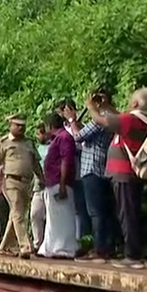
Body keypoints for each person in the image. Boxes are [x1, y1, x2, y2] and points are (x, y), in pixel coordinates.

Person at [86, 87, 147, 269]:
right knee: (131, 212)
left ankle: (132, 256)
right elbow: (120, 117)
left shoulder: (130, 121)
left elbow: (104, 122)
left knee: (127, 214)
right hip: (133, 174)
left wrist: (92, 107)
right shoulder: (144, 121)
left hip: (124, 174)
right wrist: (107, 106)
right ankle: (133, 252)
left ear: (134, 103)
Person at [60, 99, 116, 262]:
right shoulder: (113, 117)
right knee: (104, 211)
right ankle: (107, 246)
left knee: (95, 212)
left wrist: (72, 120)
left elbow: (78, 136)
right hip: (104, 167)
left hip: (91, 168)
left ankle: (99, 249)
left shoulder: (102, 117)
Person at [0, 114, 44, 259]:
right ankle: (25, 246)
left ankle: (4, 246)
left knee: (16, 215)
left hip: (26, 183)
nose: (21, 128)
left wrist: (41, 178)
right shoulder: (4, 142)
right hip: (10, 182)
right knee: (18, 213)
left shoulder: (28, 143)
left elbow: (35, 163)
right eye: (18, 125)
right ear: (11, 126)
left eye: (23, 126)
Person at [38, 112, 78, 258]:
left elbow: (66, 161)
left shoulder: (64, 138)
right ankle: (50, 247)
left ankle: (64, 248)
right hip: (52, 182)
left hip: (60, 182)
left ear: (49, 126)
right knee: (54, 218)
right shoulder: (58, 139)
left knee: (63, 217)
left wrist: (62, 182)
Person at [58, 99, 93, 243]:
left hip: (78, 174)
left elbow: (81, 144)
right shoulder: (60, 131)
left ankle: (82, 241)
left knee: (80, 210)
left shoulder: (80, 128)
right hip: (61, 176)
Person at [30, 124, 50, 252]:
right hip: (37, 187)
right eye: (38, 134)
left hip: (50, 186)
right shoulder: (37, 149)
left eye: (41, 133)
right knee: (35, 214)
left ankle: (47, 245)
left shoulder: (52, 147)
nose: (39, 136)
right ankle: (37, 243)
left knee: (50, 217)